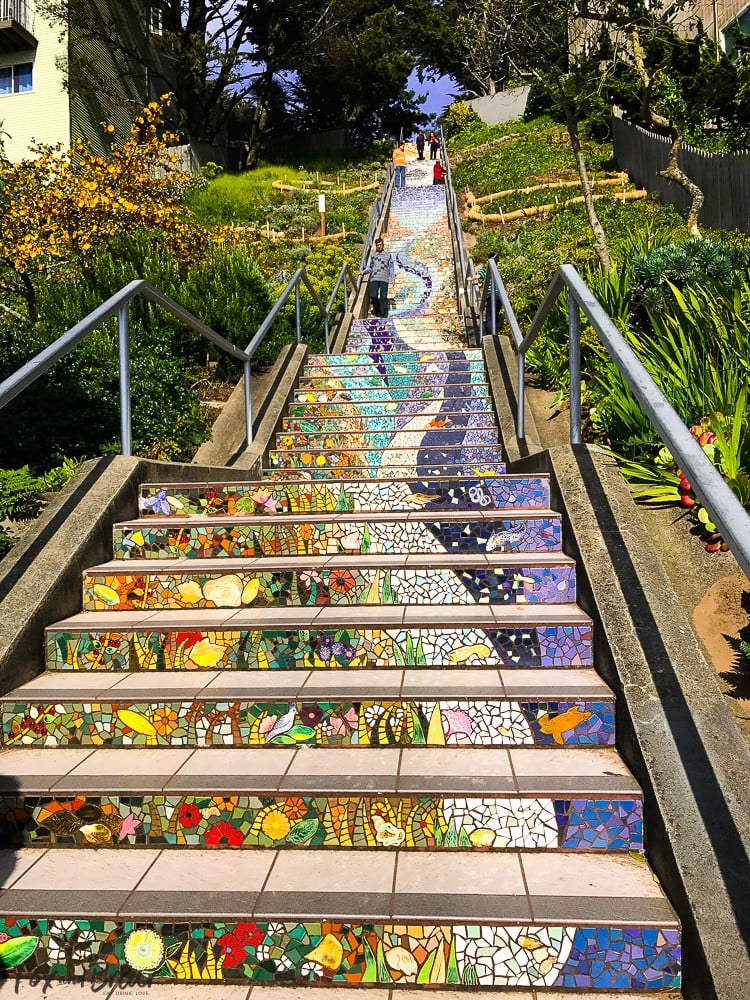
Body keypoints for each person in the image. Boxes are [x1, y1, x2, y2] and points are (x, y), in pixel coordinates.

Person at [358, 236, 395, 318]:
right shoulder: (373, 256)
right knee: (373, 295)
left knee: (383, 296)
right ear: (376, 246)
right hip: (374, 278)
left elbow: (391, 267)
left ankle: (383, 313)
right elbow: (370, 268)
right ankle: (377, 310)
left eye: (380, 245)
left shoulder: (388, 255)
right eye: (377, 245)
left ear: (383, 245)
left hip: (384, 278)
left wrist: (392, 278)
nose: (379, 246)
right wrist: (363, 272)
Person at [468, 253, 504, 334]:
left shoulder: (487, 269)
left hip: (491, 296)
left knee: (490, 315)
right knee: (495, 312)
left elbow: (477, 276)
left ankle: (491, 332)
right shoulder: (498, 270)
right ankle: (498, 322)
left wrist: (470, 278)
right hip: (500, 295)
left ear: (488, 260)